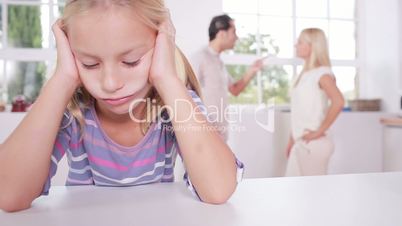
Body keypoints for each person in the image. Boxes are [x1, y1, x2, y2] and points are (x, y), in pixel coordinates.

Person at [0, 0, 243, 212]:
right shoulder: (74, 110)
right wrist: (62, 80)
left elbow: (218, 189)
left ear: (161, 44)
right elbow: (8, 194)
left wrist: (167, 78)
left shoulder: (172, 105)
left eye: (131, 61)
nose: (110, 83)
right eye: (89, 64)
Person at [191, 14, 264, 141]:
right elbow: (186, 94)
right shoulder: (200, 57)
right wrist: (204, 125)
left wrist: (252, 71)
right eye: (234, 32)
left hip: (220, 134)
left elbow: (235, 90)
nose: (237, 37)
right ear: (221, 33)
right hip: (204, 135)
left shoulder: (218, 61)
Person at [285, 28, 345, 176]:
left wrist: (319, 132)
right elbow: (300, 110)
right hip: (301, 143)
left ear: (312, 46)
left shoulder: (323, 74)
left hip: (314, 145)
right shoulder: (304, 75)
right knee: (294, 191)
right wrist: (291, 140)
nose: (295, 45)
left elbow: (339, 102)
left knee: (313, 193)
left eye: (300, 42)